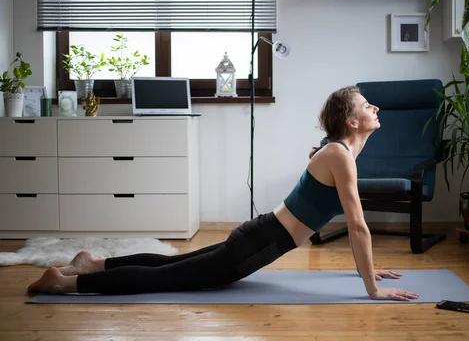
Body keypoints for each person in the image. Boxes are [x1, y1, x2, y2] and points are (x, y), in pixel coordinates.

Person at [27, 85, 419, 302]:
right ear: (352, 120)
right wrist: (372, 286)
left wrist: (366, 268)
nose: (377, 108)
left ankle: (92, 264)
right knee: (168, 278)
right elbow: (358, 226)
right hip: (258, 243)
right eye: (369, 106)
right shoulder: (340, 155)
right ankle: (64, 283)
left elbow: (350, 219)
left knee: (175, 266)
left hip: (260, 236)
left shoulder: (339, 151)